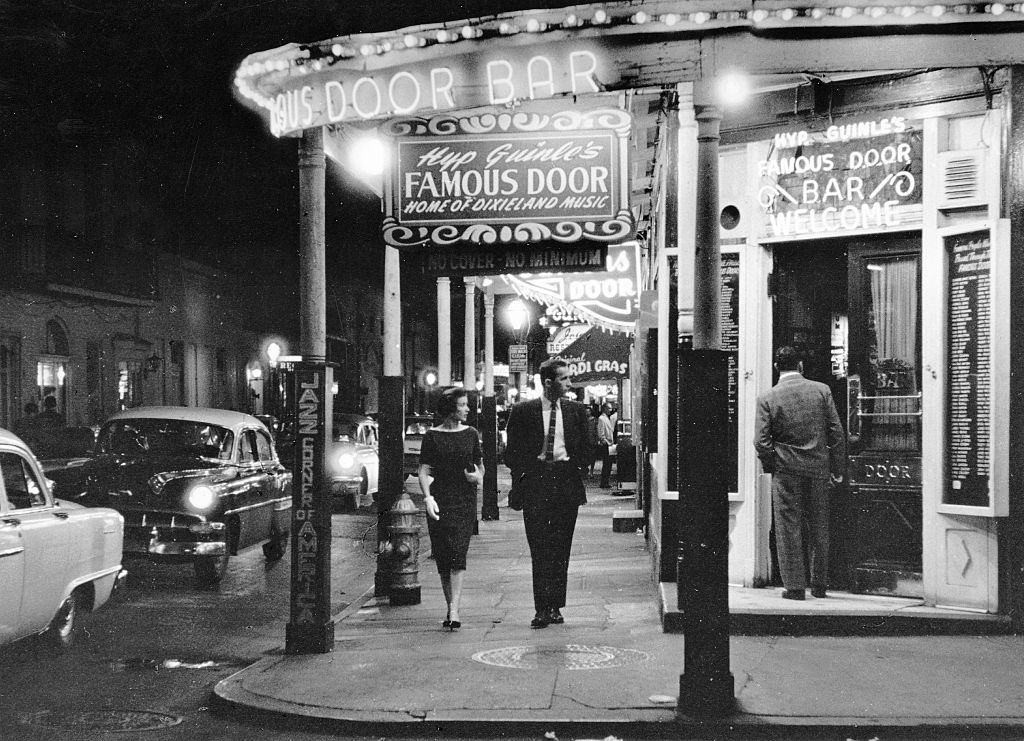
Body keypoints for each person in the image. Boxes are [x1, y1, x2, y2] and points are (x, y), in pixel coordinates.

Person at [504, 358, 592, 629]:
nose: (569, 384)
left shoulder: (576, 410)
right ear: (548, 382)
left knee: (561, 546)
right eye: (564, 379)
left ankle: (556, 606)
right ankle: (542, 608)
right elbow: (511, 453)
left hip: (566, 480)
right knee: (539, 546)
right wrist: (524, 473)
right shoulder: (523, 411)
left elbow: (587, 447)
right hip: (536, 481)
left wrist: (578, 466)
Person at [754, 345, 845, 601]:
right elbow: (836, 433)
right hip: (818, 467)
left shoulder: (767, 398)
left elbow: (761, 442)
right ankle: (819, 585)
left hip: (785, 470)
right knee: (819, 525)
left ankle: (794, 587)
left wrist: (773, 465)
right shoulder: (821, 391)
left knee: (788, 527)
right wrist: (836, 468)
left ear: (776, 367)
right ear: (801, 365)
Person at [417, 387, 483, 632]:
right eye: (463, 405)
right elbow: (424, 470)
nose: (467, 409)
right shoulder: (432, 436)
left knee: (457, 552)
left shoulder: (471, 434)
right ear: (450, 408)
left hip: (464, 500)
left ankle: (454, 609)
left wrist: (477, 477)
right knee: (444, 554)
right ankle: (450, 604)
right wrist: (427, 498)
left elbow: (480, 467)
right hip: (440, 499)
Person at [595, 403, 615, 489]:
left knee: (608, 464)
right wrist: (605, 441)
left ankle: (605, 481)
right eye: (609, 408)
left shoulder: (607, 418)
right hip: (606, 445)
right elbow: (601, 432)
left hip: (609, 444)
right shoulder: (601, 419)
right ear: (605, 409)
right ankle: (604, 482)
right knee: (606, 464)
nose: (611, 410)